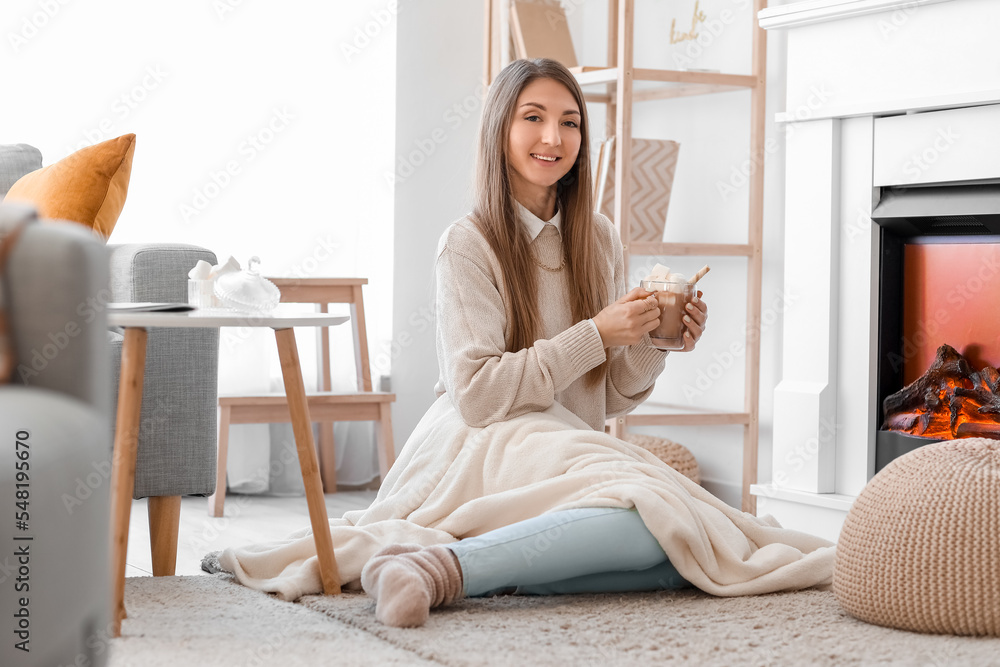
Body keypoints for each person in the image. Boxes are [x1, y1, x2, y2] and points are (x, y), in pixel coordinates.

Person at [359, 57, 709, 628]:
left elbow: (611, 397)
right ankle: (446, 569)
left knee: (683, 540)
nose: (554, 137)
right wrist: (595, 334)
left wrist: (655, 343)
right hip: (487, 445)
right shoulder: (467, 243)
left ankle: (472, 569)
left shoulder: (599, 237)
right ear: (500, 128)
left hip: (564, 444)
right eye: (534, 117)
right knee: (659, 520)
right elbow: (476, 395)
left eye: (570, 122)